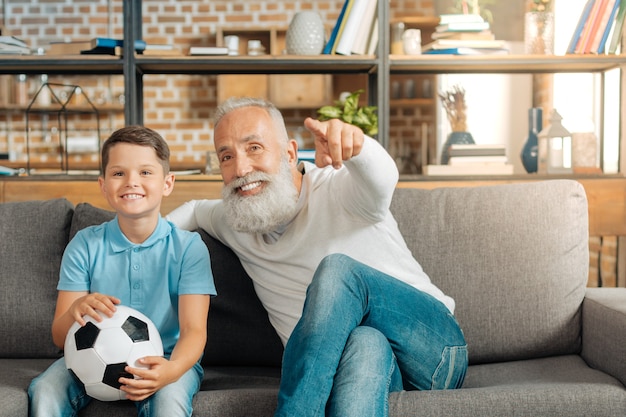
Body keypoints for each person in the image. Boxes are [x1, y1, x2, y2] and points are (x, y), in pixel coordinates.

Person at [167, 97, 467, 417]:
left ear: (290, 152)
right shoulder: (237, 218)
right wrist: (127, 249)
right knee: (365, 342)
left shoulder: (341, 189)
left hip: (436, 352)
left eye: (254, 147)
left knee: (337, 269)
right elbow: (194, 210)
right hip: (370, 366)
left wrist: (357, 145)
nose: (241, 168)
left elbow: (383, 178)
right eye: (226, 156)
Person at [28, 126, 216, 417]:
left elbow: (194, 331)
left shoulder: (189, 248)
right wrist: (77, 308)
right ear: (103, 185)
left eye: (145, 172)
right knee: (44, 390)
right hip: (88, 358)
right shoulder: (85, 245)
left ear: (167, 183)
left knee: (169, 403)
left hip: (166, 358)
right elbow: (59, 335)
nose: (131, 182)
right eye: (119, 173)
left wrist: (172, 370)